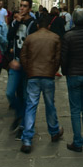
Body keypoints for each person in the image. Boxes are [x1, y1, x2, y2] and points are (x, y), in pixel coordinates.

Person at [19, 13, 63, 153]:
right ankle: (54, 131)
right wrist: (52, 70)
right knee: (50, 105)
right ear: (49, 25)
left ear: (37, 25)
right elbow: (57, 59)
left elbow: (23, 56)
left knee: (31, 106)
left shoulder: (30, 38)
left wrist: (29, 70)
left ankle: (27, 139)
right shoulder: (55, 38)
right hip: (48, 76)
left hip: (33, 75)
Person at [61, 8, 83, 152]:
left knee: (75, 110)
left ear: (74, 20)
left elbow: (64, 58)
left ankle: (77, 141)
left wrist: (64, 71)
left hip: (74, 75)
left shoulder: (68, 36)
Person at [5, 0, 37, 140]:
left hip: (27, 66)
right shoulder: (14, 22)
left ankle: (23, 126)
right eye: (21, 6)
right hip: (15, 63)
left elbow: (32, 46)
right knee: (10, 93)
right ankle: (19, 114)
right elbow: (9, 38)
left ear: (29, 9)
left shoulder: (33, 24)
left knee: (25, 96)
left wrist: (24, 62)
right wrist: (16, 23)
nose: (21, 8)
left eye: (25, 6)